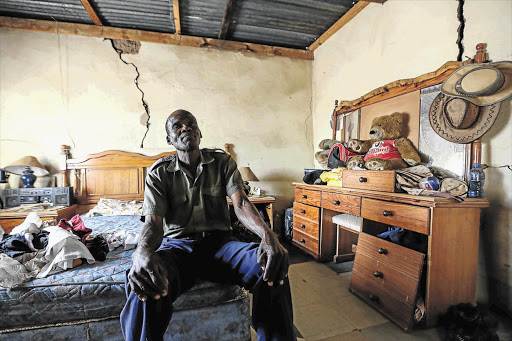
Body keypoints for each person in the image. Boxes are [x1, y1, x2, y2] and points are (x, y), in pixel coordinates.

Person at [120, 109, 296, 341]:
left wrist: (267, 235)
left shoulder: (222, 162)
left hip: (221, 246)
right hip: (177, 249)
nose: (186, 128)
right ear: (169, 139)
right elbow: (153, 222)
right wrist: (141, 253)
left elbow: (241, 203)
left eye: (191, 124)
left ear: (199, 132)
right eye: (177, 126)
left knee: (271, 266)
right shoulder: (159, 172)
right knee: (146, 282)